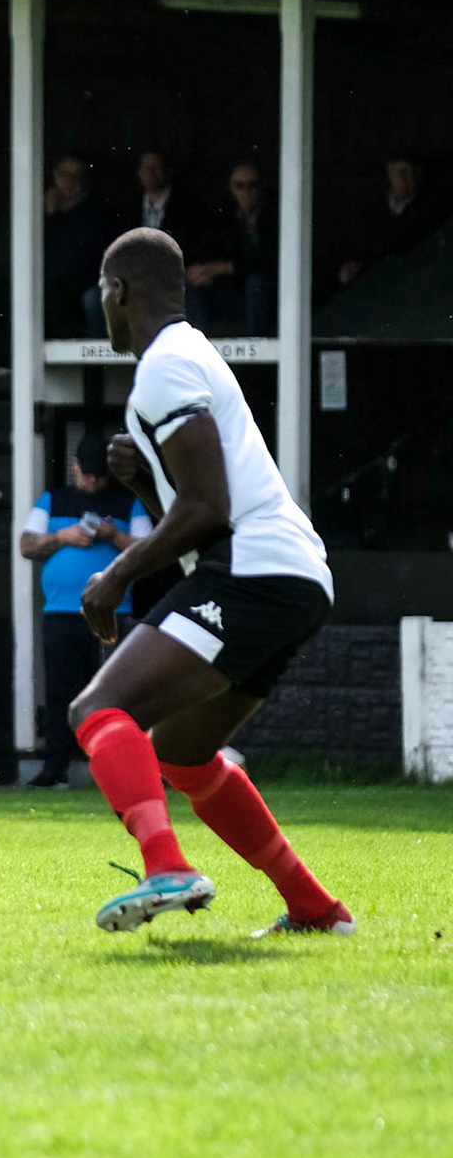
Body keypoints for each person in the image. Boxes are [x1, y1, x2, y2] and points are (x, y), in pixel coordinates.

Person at [70, 226, 351, 937]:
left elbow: (208, 511)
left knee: (101, 709)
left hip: (254, 569)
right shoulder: (190, 355)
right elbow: (191, 516)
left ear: (119, 294)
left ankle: (164, 866)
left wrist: (114, 573)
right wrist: (145, 481)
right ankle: (317, 910)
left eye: (102, 295)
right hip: (288, 574)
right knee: (181, 754)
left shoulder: (164, 367)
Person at [18, 429, 150, 788]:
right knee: (61, 690)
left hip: (111, 612)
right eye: (85, 475)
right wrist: (64, 536)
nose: (91, 482)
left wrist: (114, 536)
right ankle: (55, 768)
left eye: (98, 477)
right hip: (60, 613)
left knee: (114, 692)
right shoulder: (53, 501)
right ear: (75, 467)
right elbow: (27, 545)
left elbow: (147, 549)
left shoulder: (129, 502)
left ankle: (119, 769)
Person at [84, 151, 197, 336]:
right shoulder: (129, 205)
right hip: (133, 281)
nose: (151, 172)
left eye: (156, 168)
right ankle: (101, 363)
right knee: (93, 299)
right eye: (146, 168)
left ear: (167, 171)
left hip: (172, 281)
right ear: (139, 172)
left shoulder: (186, 205)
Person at [186, 160, 275, 335]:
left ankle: (256, 353)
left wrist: (228, 267)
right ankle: (199, 354)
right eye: (240, 186)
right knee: (192, 289)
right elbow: (211, 257)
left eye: (253, 185)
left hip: (272, 298)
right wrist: (203, 274)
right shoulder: (224, 221)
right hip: (236, 298)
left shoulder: (275, 217)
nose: (247, 192)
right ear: (231, 189)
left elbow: (270, 263)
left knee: (256, 284)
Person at [337, 155, 441, 289]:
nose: (406, 179)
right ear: (390, 173)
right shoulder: (372, 208)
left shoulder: (429, 211)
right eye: (401, 172)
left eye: (411, 173)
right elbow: (360, 245)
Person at [44, 155, 110, 337]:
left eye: (72, 175)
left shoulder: (91, 212)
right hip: (50, 283)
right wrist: (50, 215)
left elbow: (75, 258)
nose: (66, 180)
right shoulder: (45, 210)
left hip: (79, 284)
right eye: (62, 174)